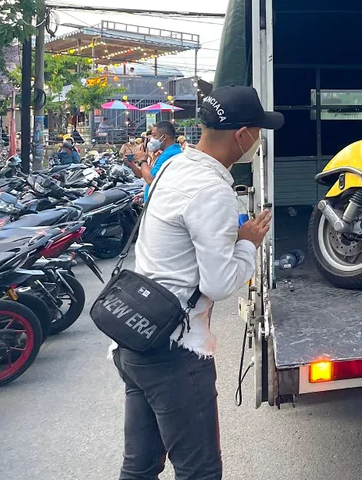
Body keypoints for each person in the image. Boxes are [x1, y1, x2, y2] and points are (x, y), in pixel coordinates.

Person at [112, 85, 283, 480]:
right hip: (174, 352)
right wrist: (248, 244)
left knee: (138, 468)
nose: (258, 141)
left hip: (136, 339)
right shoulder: (212, 190)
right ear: (243, 135)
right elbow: (220, 283)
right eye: (258, 132)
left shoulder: (172, 166)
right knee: (200, 471)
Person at [130, 121, 183, 200]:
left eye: (154, 135)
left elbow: (151, 180)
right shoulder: (171, 152)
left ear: (164, 137)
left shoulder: (169, 155)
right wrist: (145, 193)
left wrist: (142, 161)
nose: (151, 139)